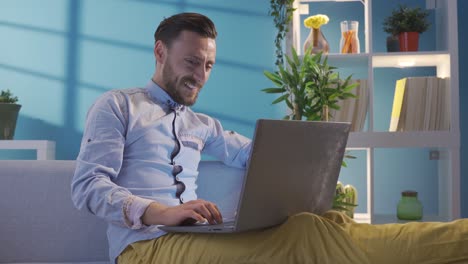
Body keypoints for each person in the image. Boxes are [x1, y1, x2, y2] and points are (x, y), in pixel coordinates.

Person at [72, 12, 468, 264]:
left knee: (318, 223)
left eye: (208, 64)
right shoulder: (118, 106)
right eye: (191, 61)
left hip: (190, 237)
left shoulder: (201, 124)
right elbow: (87, 186)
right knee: (306, 240)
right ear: (160, 52)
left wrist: (303, 165)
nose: (201, 75)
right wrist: (160, 211)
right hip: (145, 248)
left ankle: (456, 238)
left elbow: (255, 155)